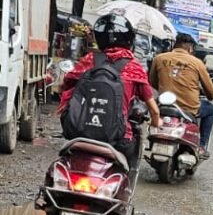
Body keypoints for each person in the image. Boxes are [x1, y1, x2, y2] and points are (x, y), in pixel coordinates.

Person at [59, 11, 160, 170]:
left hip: (79, 132)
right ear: (129, 40)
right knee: (130, 160)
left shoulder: (89, 60)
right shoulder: (134, 68)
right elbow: (154, 110)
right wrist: (156, 123)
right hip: (118, 139)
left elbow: (65, 88)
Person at [149, 32, 213, 158]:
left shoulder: (158, 58)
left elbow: (153, 82)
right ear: (190, 48)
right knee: (211, 109)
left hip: (163, 105)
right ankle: (201, 146)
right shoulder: (197, 63)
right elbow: (211, 94)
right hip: (188, 108)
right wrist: (211, 92)